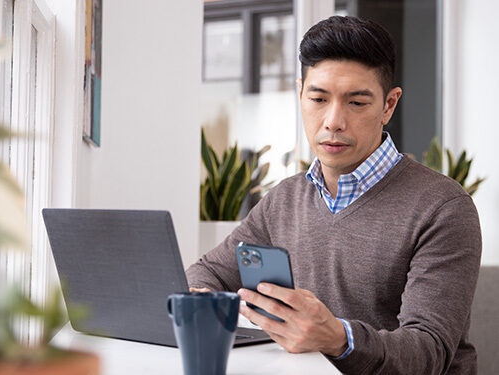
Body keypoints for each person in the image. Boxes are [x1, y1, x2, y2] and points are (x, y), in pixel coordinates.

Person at [186, 15, 481, 375]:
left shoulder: (444, 207)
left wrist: (338, 338)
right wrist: (201, 300)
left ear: (389, 105)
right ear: (300, 94)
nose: (333, 121)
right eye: (318, 98)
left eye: (357, 103)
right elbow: (208, 273)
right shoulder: (285, 198)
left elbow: (428, 352)